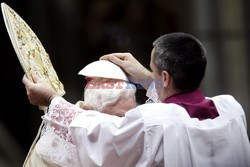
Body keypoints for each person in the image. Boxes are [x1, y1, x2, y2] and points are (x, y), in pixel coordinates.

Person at [22, 32, 250, 167]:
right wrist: (145, 77)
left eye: (151, 69)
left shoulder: (154, 122)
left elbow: (100, 134)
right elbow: (180, 105)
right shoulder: (231, 110)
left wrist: (52, 99)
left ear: (164, 77)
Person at [23, 61, 137, 167]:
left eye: (131, 116)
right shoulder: (53, 155)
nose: (128, 126)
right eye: (119, 118)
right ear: (88, 111)